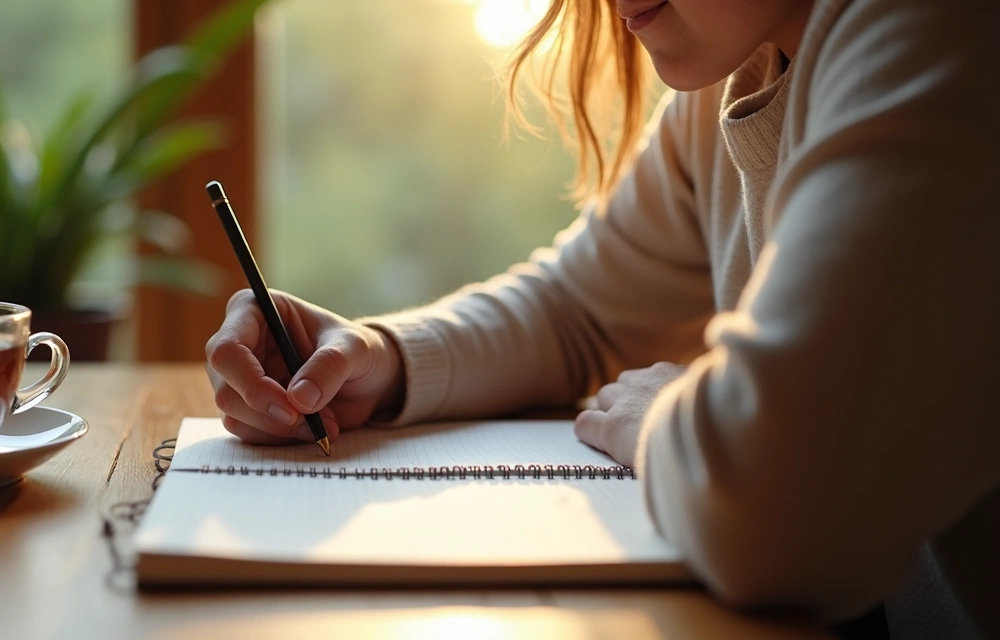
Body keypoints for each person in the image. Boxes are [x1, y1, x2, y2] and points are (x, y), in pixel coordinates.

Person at [204, 0, 999, 637]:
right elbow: (576, 308)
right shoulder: (741, 78)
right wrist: (381, 355)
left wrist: (664, 419)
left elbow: (777, 513)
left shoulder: (938, 33)